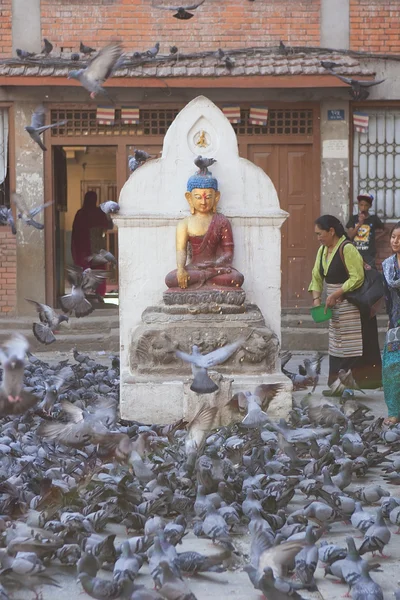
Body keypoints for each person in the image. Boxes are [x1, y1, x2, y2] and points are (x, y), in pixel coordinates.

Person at [309, 214, 381, 392]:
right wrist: (317, 300)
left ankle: (349, 386)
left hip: (351, 304)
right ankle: (336, 386)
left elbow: (357, 277)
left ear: (331, 231)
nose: (318, 237)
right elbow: (316, 276)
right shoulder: (323, 250)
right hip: (334, 306)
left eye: (320, 233)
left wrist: (338, 293)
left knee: (351, 346)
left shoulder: (347, 248)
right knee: (336, 345)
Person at [165, 168, 244, 290]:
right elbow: (181, 251)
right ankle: (207, 277)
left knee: (237, 278)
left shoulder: (222, 222)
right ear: (189, 198)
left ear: (216, 197)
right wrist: (181, 269)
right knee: (170, 279)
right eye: (198, 197)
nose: (203, 202)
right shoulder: (184, 224)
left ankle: (206, 277)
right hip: (194, 269)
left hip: (216, 268)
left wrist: (216, 264)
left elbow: (228, 253)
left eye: (208, 197)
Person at [71, 191, 113, 298]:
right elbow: (109, 225)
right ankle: (98, 294)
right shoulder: (99, 213)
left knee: (84, 268)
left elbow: (75, 232)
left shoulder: (80, 213)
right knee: (98, 270)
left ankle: (85, 294)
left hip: (82, 247)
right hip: (96, 247)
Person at [382, 222, 400, 424]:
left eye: (399, 238)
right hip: (396, 323)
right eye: (393, 237)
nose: (395, 241)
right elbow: (387, 294)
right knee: (392, 367)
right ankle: (394, 411)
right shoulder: (387, 265)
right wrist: (389, 319)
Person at [346, 193, 385, 267]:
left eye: (366, 205)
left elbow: (385, 230)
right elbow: (350, 236)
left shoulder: (373, 219)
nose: (363, 208)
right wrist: (359, 225)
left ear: (370, 206)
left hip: (369, 255)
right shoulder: (353, 219)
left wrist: (375, 238)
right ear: (358, 205)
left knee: (370, 275)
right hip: (355, 253)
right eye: (361, 205)